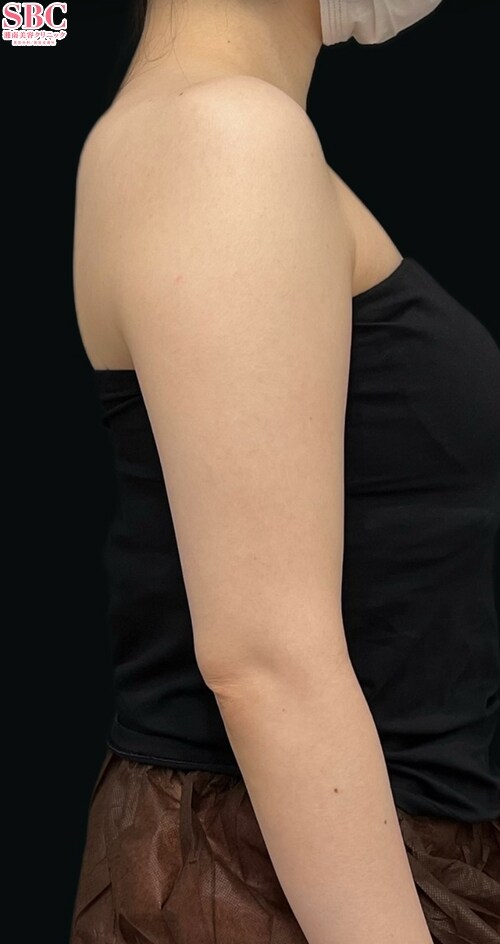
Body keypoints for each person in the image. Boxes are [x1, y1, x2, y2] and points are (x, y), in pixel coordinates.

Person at [70, 2, 500, 942]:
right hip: (276, 888)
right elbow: (264, 660)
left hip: (322, 869)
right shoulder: (222, 138)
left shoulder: (218, 131)